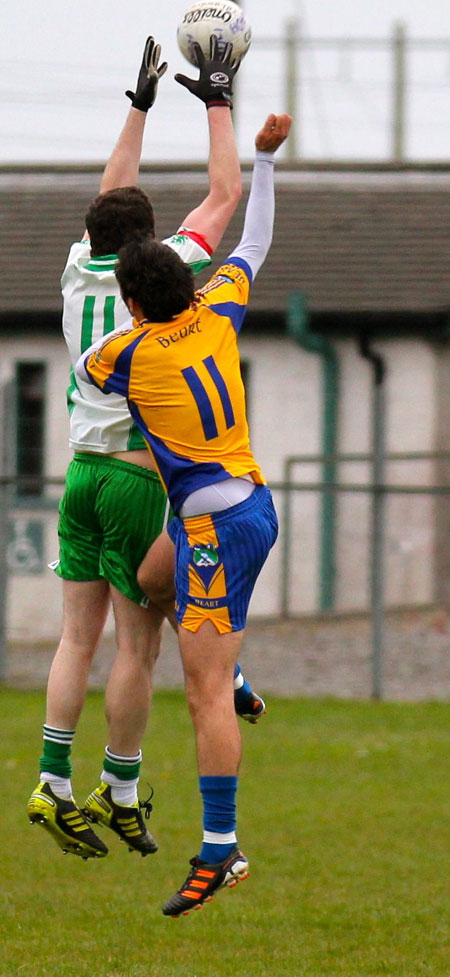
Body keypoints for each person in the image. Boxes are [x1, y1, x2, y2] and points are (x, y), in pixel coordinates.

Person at [27, 34, 263, 863]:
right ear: (147, 246)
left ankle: (52, 778)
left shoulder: (71, 267)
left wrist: (137, 106)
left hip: (78, 473)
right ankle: (121, 788)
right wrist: (217, 98)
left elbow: (112, 194)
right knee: (139, 643)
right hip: (132, 479)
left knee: (74, 639)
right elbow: (226, 193)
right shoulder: (160, 274)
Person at [77, 111, 292, 914]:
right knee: (145, 582)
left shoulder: (124, 354)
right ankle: (230, 667)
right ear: (188, 289)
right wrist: (262, 163)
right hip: (247, 502)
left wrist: (105, 273)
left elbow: (94, 366)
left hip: (215, 533)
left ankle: (221, 848)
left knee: (198, 695)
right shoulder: (218, 309)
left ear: (134, 301)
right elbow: (254, 245)